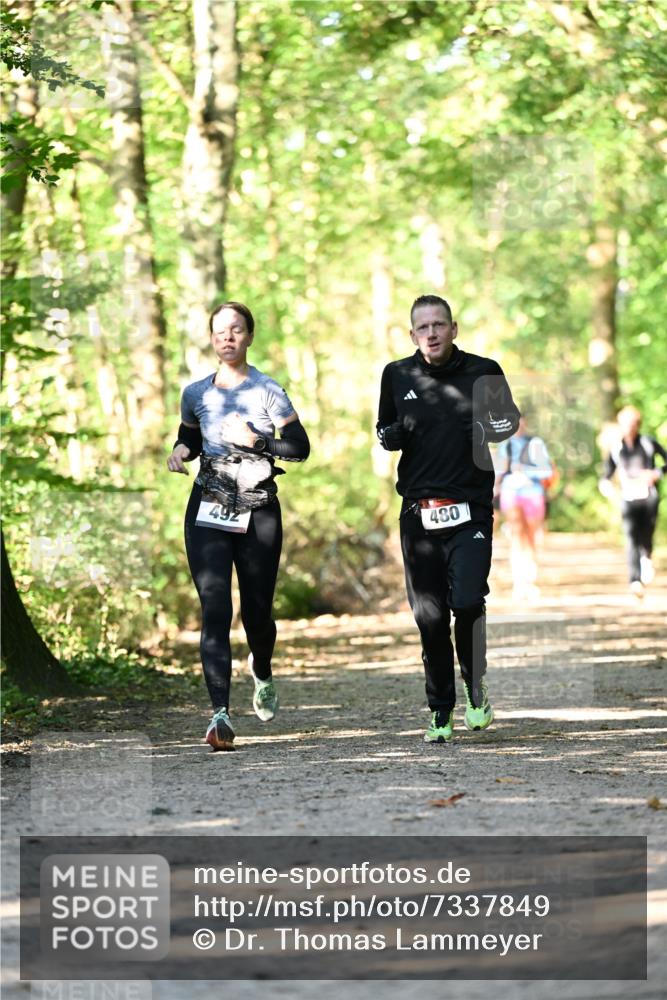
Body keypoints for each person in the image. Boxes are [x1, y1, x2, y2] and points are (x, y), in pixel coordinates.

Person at [376, 294, 520, 743]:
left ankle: (475, 690)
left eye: (439, 324)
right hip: (419, 512)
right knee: (430, 616)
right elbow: (384, 432)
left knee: (467, 602)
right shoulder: (397, 374)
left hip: (470, 508)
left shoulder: (484, 371)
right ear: (412, 334)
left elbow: (509, 424)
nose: (432, 333)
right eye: (423, 327)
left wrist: (487, 421)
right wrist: (395, 433)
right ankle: (440, 710)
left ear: (454, 329)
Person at [167, 302, 310, 750]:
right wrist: (180, 452)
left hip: (259, 504)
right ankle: (219, 714)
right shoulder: (195, 393)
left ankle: (262, 670)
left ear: (249, 336)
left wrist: (259, 441)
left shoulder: (268, 391)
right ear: (211, 339)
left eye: (236, 330)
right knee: (214, 607)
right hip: (209, 502)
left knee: (256, 611)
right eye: (219, 331)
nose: (227, 337)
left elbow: (300, 447)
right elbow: (189, 436)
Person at [599, 405, 665, 598]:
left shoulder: (648, 443)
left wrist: (656, 473)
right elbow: (607, 474)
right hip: (628, 498)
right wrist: (606, 486)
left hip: (648, 497)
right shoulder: (617, 448)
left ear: (638, 425)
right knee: (631, 538)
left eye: (632, 424)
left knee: (647, 534)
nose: (629, 428)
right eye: (625, 424)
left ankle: (647, 557)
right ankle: (635, 580)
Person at [494, 415, 554, 602]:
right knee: (517, 537)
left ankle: (530, 578)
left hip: (533, 494)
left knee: (532, 538)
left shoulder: (535, 444)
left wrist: (525, 470)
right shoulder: (505, 445)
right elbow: (498, 472)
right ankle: (519, 582)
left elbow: (547, 471)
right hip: (512, 494)